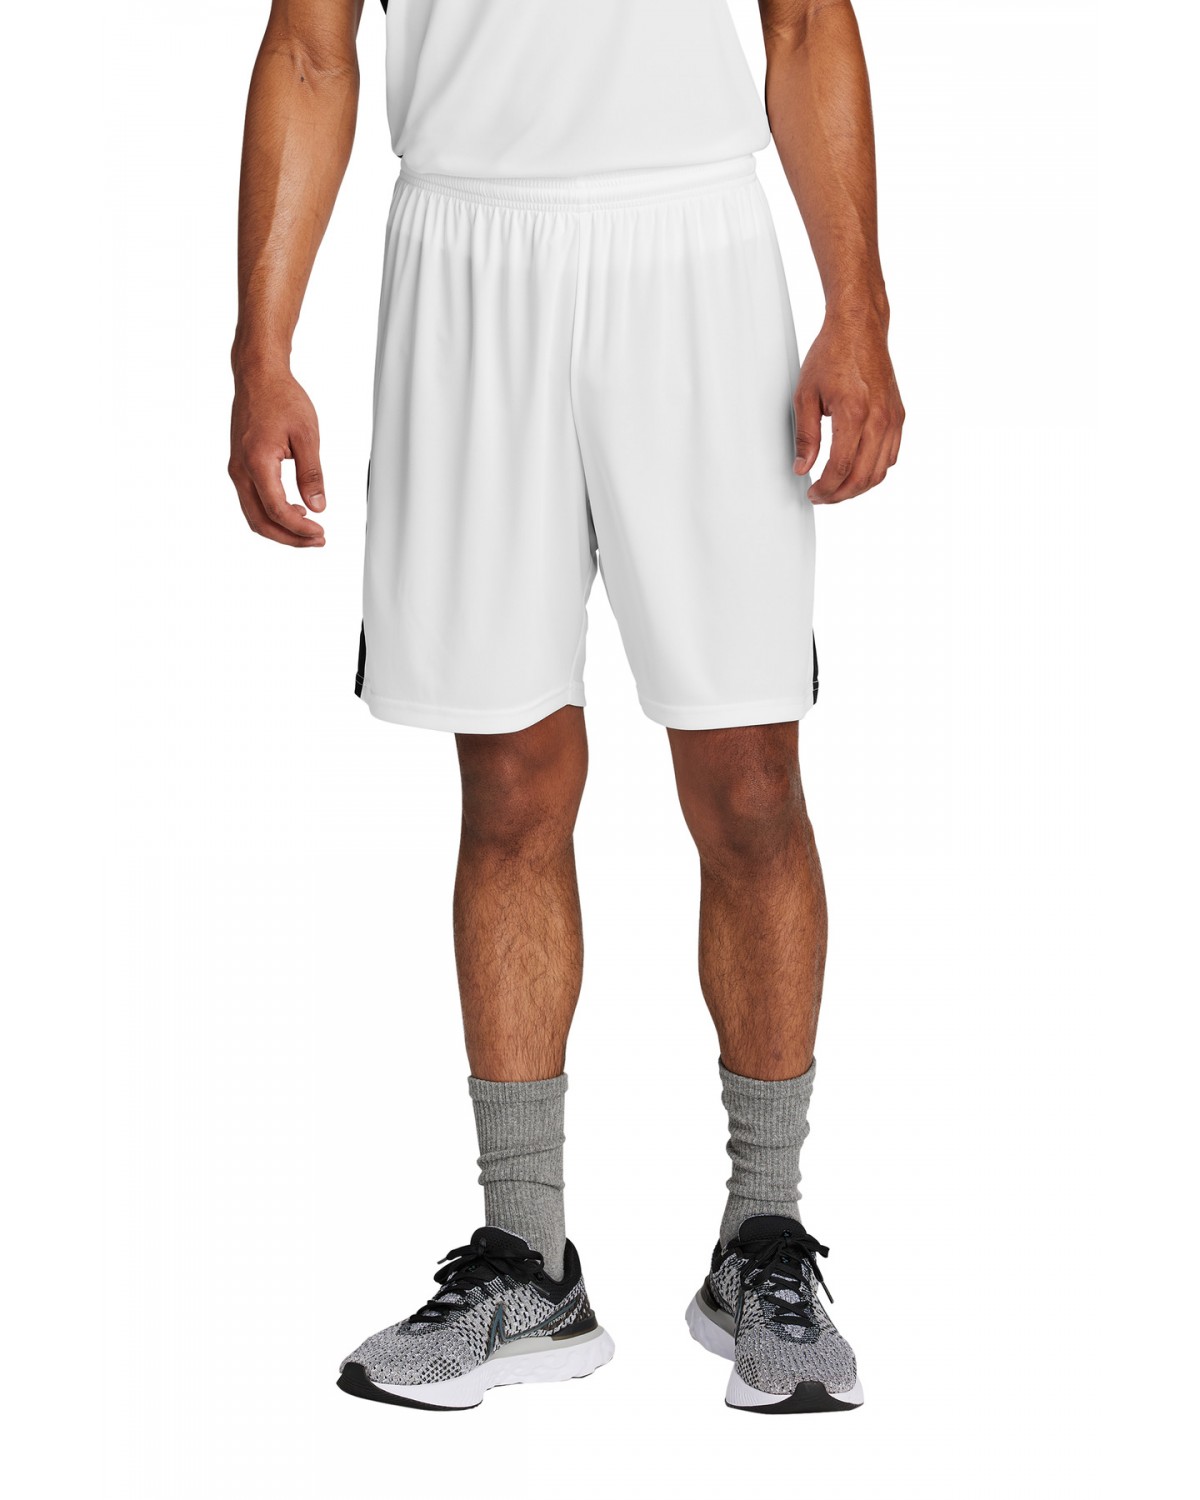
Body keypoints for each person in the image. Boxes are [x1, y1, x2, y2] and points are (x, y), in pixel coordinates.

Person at [229, 0, 903, 1415]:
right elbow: (308, 47)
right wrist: (261, 349)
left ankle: (764, 1238)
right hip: (466, 258)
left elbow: (804, 25)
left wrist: (860, 307)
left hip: (692, 249)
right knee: (513, 784)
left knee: (751, 781)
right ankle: (526, 1259)